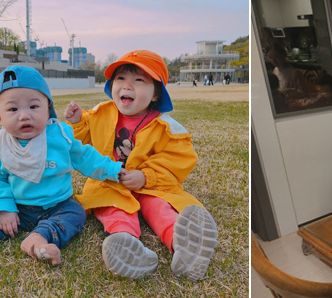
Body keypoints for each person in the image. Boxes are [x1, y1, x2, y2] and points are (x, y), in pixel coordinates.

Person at [0, 66, 124, 278]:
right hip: (16, 209)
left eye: (34, 106)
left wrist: (113, 170)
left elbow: (86, 157)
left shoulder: (60, 137)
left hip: (57, 205)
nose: (24, 115)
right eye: (13, 110)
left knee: (76, 213)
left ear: (48, 109)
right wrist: (5, 208)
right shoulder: (1, 147)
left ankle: (38, 238)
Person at [64, 50, 217, 280]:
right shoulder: (100, 113)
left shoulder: (165, 127)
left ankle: (183, 245)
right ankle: (125, 243)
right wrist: (77, 122)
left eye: (138, 80)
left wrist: (146, 177)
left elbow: (176, 162)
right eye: (121, 79)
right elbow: (83, 145)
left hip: (148, 186)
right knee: (113, 209)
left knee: (159, 207)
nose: (127, 86)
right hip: (110, 183)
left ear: (156, 94)